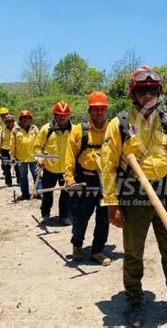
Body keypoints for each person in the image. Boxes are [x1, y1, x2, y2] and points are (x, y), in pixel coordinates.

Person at [101, 66, 167, 327]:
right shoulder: (119, 125)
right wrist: (112, 204)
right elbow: (107, 166)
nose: (148, 95)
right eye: (142, 90)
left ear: (159, 92)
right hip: (134, 197)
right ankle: (134, 302)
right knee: (133, 253)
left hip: (165, 196)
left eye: (152, 90)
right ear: (133, 93)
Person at [64, 91, 110, 265]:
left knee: (104, 218)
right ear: (89, 110)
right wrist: (69, 178)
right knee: (81, 216)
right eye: (95, 109)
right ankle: (77, 244)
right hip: (84, 180)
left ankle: (97, 250)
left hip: (106, 181)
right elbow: (69, 155)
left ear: (106, 111)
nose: (99, 112)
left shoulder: (112, 129)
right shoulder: (79, 131)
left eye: (102, 109)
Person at [34, 101, 73, 225]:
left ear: (68, 115)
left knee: (66, 194)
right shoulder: (46, 129)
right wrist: (41, 159)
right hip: (49, 168)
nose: (62, 117)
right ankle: (45, 214)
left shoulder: (74, 129)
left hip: (66, 169)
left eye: (64, 115)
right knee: (47, 194)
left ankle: (64, 216)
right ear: (54, 115)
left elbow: (77, 148)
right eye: (59, 115)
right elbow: (37, 147)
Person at [10, 109, 40, 201]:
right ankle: (25, 194)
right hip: (21, 157)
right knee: (23, 176)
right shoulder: (15, 130)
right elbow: (12, 145)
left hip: (34, 157)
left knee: (37, 175)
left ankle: (40, 193)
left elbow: (40, 142)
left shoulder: (35, 129)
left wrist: (41, 155)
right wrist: (12, 157)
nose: (25, 120)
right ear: (20, 120)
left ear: (30, 119)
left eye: (27, 118)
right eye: (23, 118)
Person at [0, 114, 20, 186]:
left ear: (13, 121)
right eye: (7, 122)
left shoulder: (18, 129)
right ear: (5, 122)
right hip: (5, 150)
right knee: (6, 167)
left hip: (15, 150)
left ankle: (20, 181)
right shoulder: (3, 131)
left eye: (10, 121)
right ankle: (8, 182)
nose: (8, 123)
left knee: (17, 166)